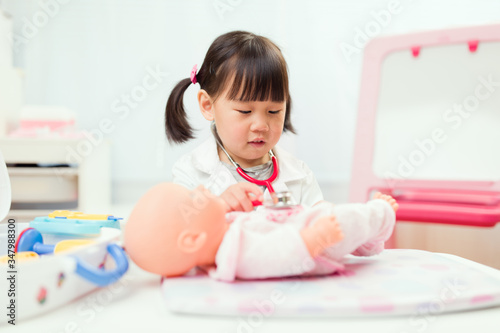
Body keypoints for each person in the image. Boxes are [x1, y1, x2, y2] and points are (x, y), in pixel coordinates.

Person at [165, 31, 323, 212]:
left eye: (274, 111)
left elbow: (320, 230)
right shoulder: (190, 172)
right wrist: (218, 208)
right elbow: (179, 233)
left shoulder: (300, 176)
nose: (261, 126)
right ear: (208, 105)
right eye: (245, 111)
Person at [124, 183, 398, 282]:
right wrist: (312, 240)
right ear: (193, 240)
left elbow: (241, 220)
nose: (201, 189)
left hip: (307, 225)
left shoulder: (221, 232)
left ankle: (367, 243)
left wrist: (227, 203)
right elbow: (276, 256)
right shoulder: (236, 255)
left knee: (332, 213)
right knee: (348, 219)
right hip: (315, 246)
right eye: (193, 197)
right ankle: (382, 218)